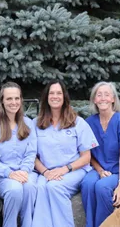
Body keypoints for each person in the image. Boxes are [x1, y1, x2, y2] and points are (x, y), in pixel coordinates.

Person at [32, 79, 98, 227]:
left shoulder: (78, 122)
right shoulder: (36, 123)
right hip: (47, 172)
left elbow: (86, 158)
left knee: (55, 187)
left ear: (64, 97)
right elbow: (32, 156)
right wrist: (45, 172)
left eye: (59, 93)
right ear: (46, 97)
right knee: (41, 187)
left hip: (73, 171)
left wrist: (64, 169)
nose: (55, 96)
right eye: (52, 93)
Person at [80, 82, 120, 227]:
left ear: (113, 99)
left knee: (102, 187)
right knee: (87, 184)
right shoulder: (89, 123)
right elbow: (88, 153)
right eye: (99, 95)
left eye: (107, 94)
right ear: (94, 100)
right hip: (97, 168)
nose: (103, 98)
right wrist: (99, 170)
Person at [0, 82, 37, 227]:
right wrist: (9, 173)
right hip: (2, 176)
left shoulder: (28, 123)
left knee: (30, 187)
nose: (13, 102)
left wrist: (24, 171)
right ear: (2, 101)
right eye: (9, 99)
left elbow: (31, 153)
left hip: (26, 173)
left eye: (17, 98)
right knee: (15, 189)